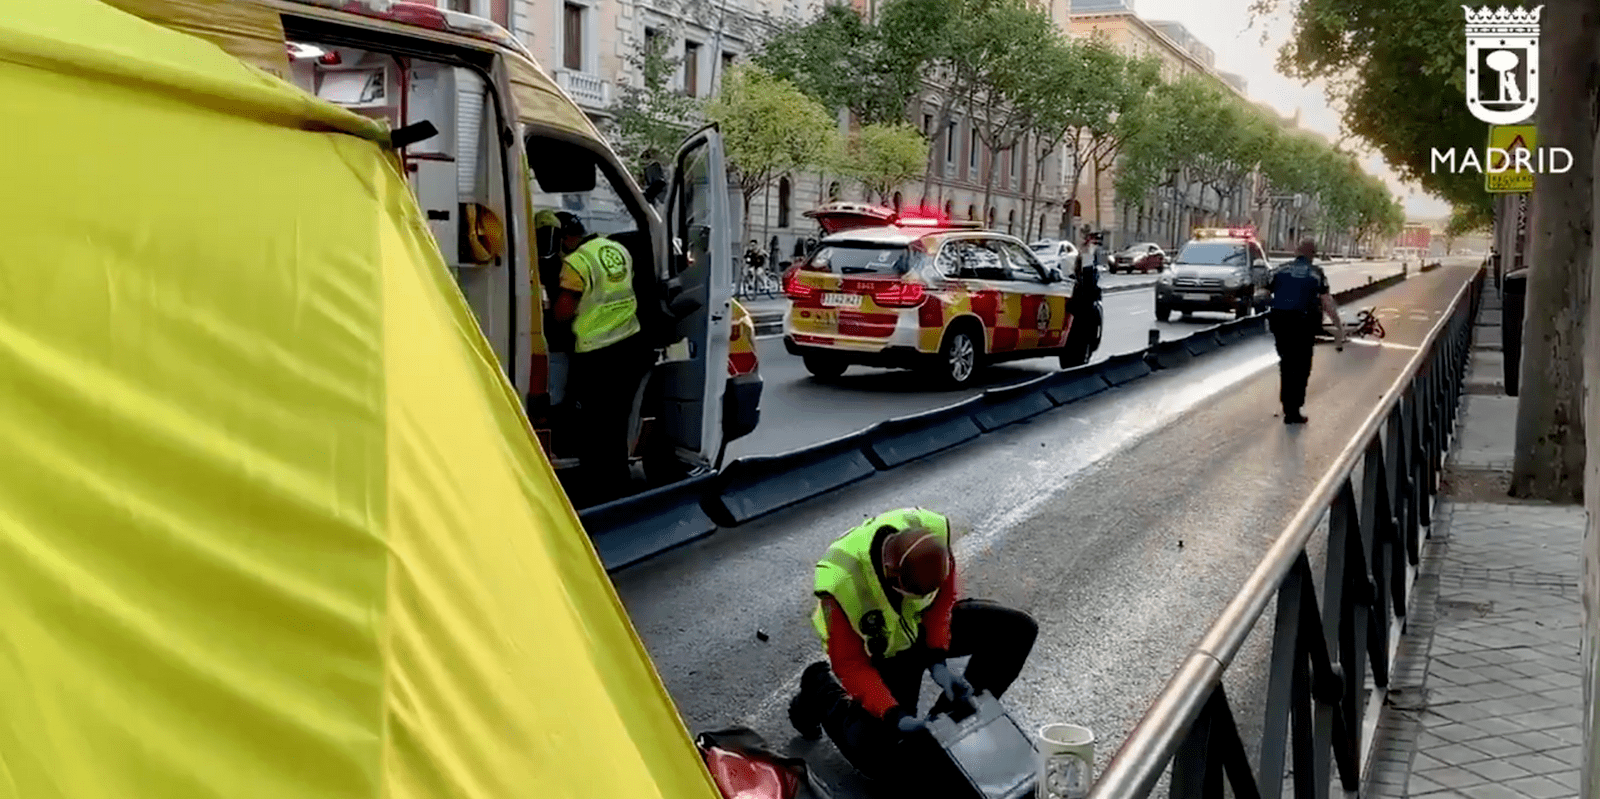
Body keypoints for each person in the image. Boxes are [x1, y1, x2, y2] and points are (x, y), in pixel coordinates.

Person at [786, 508, 1038, 783]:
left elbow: (942, 603)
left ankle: (946, 725)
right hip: (886, 651)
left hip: (919, 627)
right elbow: (851, 664)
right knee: (879, 760)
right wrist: (895, 715)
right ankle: (818, 686)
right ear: (891, 575)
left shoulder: (932, 539)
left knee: (1018, 630)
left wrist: (937, 658)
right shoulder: (840, 582)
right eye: (916, 593)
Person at [551, 211, 654, 507]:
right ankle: (618, 486)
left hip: (596, 354)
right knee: (616, 423)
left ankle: (598, 493)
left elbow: (563, 312)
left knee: (593, 427)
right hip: (629, 345)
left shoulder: (576, 263)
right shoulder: (617, 249)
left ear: (565, 239)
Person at [1268, 238, 1345, 424]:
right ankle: (1294, 409)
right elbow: (1326, 302)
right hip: (1303, 324)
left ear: (1296, 251)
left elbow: (1263, 292)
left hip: (1280, 322)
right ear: (1312, 254)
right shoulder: (1316, 273)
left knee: (1286, 363)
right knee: (1301, 366)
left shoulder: (1279, 270)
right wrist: (1339, 326)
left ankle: (1288, 407)